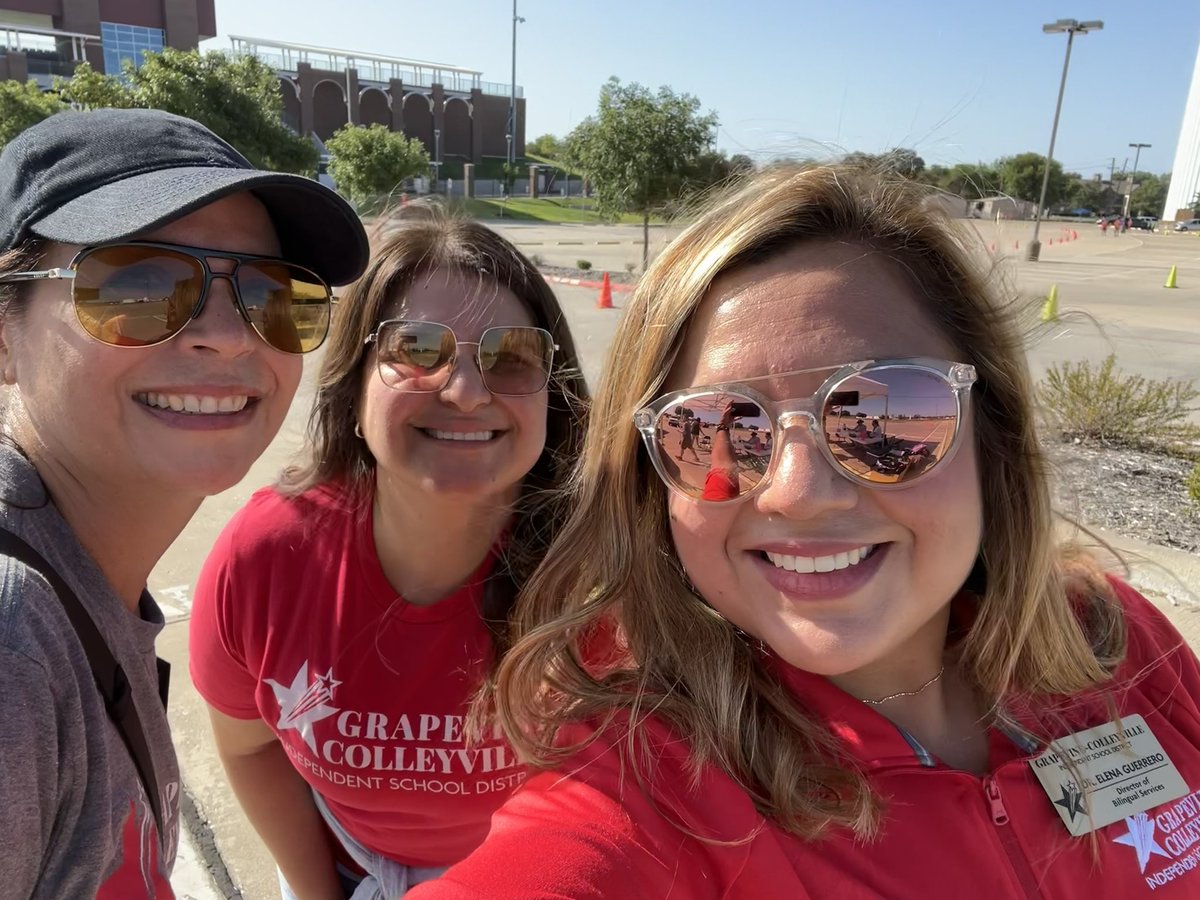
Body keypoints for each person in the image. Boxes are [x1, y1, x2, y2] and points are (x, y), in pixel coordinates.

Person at [408, 165, 1200, 898]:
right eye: (718, 429)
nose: (800, 493)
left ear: (989, 432)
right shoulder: (647, 785)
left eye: (888, 411)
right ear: (654, 486)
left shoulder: (1114, 638)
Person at [0, 108, 367, 897]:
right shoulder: (11, 642)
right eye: (138, 285)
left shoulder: (78, 592)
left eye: (274, 293)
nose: (231, 336)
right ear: (5, 335)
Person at [188, 207, 589, 898]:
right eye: (418, 349)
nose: (465, 391)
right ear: (352, 391)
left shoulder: (603, 576)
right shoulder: (266, 556)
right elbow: (250, 746)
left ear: (552, 397)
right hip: (344, 867)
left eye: (512, 356)